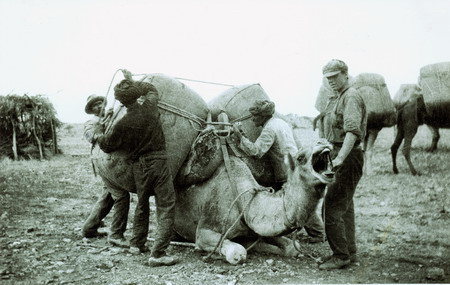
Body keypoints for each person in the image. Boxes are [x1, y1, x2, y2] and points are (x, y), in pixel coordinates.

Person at [93, 76, 179, 267]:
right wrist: (132, 81)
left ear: (121, 101)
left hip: (139, 166)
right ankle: (158, 254)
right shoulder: (150, 106)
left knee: (142, 204)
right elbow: (150, 87)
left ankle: (136, 244)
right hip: (159, 162)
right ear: (136, 95)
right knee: (166, 205)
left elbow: (107, 145)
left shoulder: (123, 123)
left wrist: (98, 132)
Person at [232, 100, 325, 243]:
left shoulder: (269, 129)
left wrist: (240, 137)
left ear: (263, 116)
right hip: (293, 165)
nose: (253, 119)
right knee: (297, 200)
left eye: (255, 115)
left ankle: (318, 233)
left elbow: (256, 151)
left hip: (285, 170)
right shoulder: (280, 122)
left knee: (297, 202)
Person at [318, 59, 367, 270]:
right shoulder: (339, 97)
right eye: (328, 78)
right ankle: (349, 252)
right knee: (345, 207)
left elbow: (352, 132)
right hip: (341, 155)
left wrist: (339, 159)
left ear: (345, 74)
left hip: (347, 157)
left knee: (332, 208)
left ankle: (341, 256)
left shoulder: (351, 96)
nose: (331, 81)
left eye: (334, 77)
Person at [81, 95, 114, 238]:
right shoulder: (91, 121)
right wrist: (105, 122)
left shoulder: (109, 116)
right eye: (96, 105)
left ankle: (92, 225)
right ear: (91, 109)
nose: (100, 106)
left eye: (101, 103)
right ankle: (89, 228)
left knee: (110, 194)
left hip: (109, 159)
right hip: (102, 159)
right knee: (111, 194)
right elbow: (90, 136)